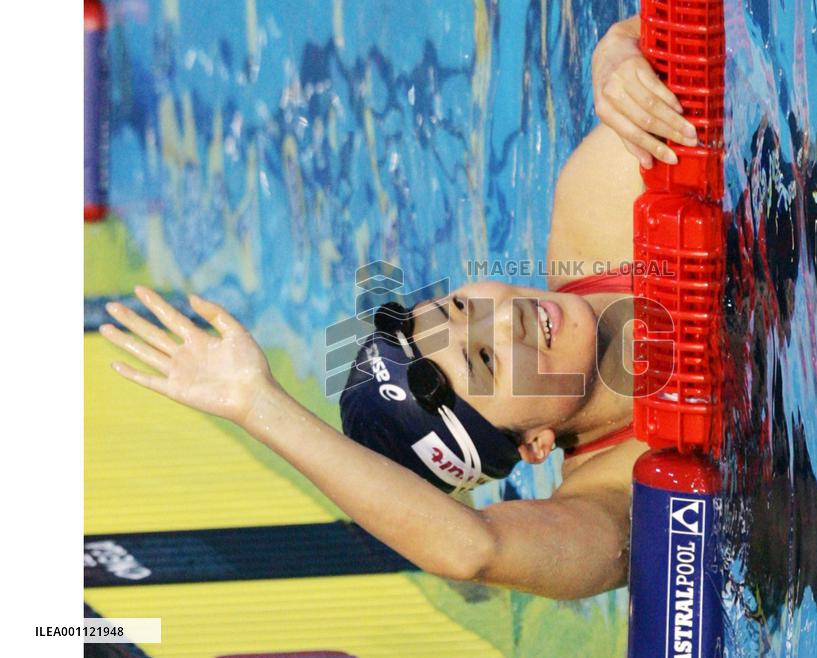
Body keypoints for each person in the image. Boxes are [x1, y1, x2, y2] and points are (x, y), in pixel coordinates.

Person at [99, 15, 698, 600]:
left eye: (462, 306)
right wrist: (258, 405)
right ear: (534, 445)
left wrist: (622, 49)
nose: (505, 318)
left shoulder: (600, 206)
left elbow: (692, 43)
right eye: (486, 360)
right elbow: (472, 550)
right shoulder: (616, 499)